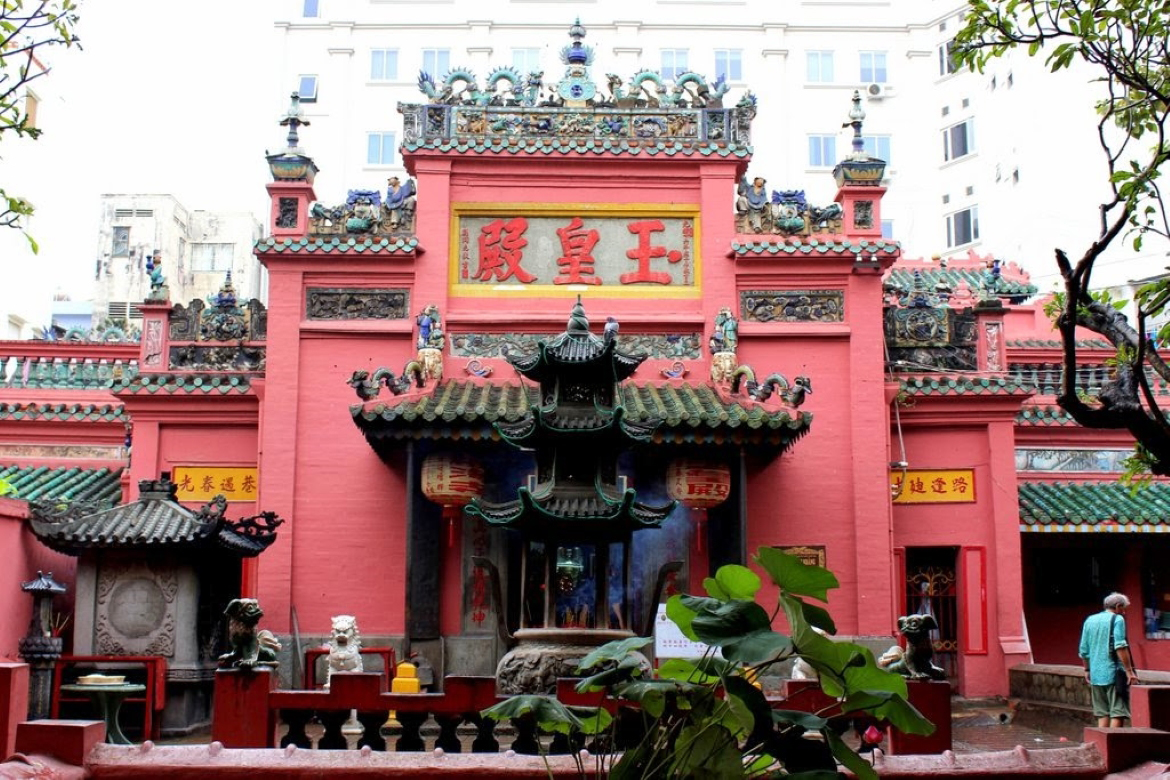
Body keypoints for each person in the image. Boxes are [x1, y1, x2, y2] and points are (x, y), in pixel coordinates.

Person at [1079, 592, 1140, 727]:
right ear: (1118, 606)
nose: (1124, 612)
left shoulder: (1090, 620)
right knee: (1118, 712)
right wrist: (1129, 671)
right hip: (1114, 673)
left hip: (1095, 674)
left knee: (1102, 713)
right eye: (1123, 609)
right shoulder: (1117, 619)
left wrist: (1087, 669)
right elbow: (1121, 647)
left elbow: (1083, 650)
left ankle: (1102, 744)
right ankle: (1114, 744)